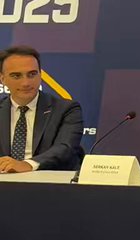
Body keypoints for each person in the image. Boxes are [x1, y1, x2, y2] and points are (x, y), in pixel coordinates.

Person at [0, 45, 84, 173]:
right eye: (16, 76)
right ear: (2, 79)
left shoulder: (67, 109)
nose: (26, 83)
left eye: (32, 74)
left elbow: (65, 148)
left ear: (40, 75)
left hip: (49, 181)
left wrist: (27, 165)